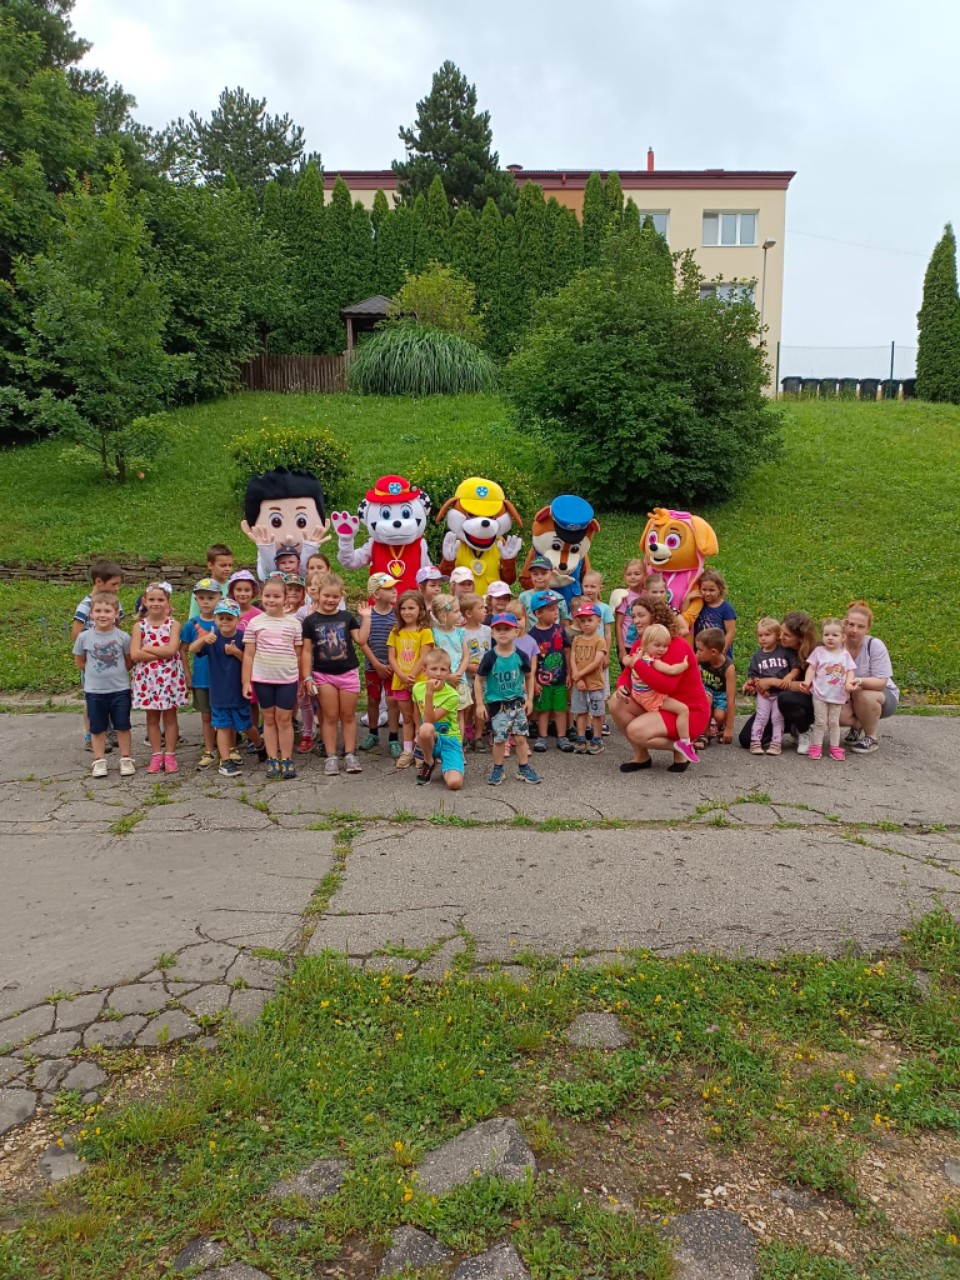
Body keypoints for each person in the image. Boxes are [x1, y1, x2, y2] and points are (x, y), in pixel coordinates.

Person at [609, 597, 710, 773]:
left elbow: (666, 686)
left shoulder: (677, 644)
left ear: (656, 616)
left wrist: (637, 663)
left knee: (635, 731)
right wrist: (622, 687)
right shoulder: (642, 643)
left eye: (641, 615)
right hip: (658, 702)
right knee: (615, 702)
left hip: (686, 711)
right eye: (633, 616)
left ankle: (684, 747)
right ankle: (642, 756)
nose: (636, 621)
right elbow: (626, 674)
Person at [301, 572, 371, 777]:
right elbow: (306, 651)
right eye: (327, 596)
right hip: (323, 675)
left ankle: (350, 754)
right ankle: (331, 756)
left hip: (348, 673)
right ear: (318, 595)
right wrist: (307, 677)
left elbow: (361, 640)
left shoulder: (346, 617)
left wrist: (366, 619)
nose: (331, 600)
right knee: (330, 716)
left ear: (341, 596)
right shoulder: (310, 621)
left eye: (335, 596)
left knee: (348, 715)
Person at [241, 575, 303, 781]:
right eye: (267, 595)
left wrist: (301, 680)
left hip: (287, 679)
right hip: (262, 678)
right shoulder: (255, 623)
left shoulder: (294, 623)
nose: (271, 600)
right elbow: (248, 655)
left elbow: (298, 654)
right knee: (268, 719)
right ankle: (272, 758)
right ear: (261, 596)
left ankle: (286, 758)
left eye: (276, 596)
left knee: (284, 719)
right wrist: (246, 682)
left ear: (285, 598)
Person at [193, 599, 264, 777]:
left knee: (247, 726)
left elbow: (251, 660)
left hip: (238, 691)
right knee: (222, 727)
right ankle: (225, 762)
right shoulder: (212, 638)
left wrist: (235, 652)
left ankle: (259, 744)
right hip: (218, 693)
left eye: (229, 618)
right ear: (215, 619)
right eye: (221, 618)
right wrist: (203, 640)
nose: (225, 621)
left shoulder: (243, 637)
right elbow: (193, 649)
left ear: (238, 620)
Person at [474, 611, 540, 786]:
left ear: (516, 632)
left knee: (520, 738)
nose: (502, 632)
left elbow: (529, 676)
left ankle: (523, 768)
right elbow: (478, 680)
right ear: (492, 633)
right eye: (498, 629)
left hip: (518, 702)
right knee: (500, 739)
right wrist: (480, 704)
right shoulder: (490, 657)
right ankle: (498, 768)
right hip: (498, 705)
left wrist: (529, 699)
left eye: (507, 629)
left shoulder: (521, 655)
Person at [72, 591, 134, 777]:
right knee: (97, 728)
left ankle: (125, 759)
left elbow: (129, 661)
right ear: (91, 614)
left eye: (107, 611)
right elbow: (80, 662)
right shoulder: (84, 638)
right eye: (98, 611)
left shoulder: (123, 637)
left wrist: (117, 674)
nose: (102, 615)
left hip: (120, 690)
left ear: (116, 613)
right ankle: (99, 761)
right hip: (94, 691)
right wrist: (96, 675)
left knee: (123, 726)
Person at [737, 611, 817, 752]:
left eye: (787, 635)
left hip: (807, 703)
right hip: (774, 701)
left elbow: (811, 687)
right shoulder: (778, 649)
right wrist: (756, 685)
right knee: (746, 739)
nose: (780, 637)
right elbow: (760, 673)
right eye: (781, 632)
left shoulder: (816, 653)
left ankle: (804, 728)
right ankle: (787, 726)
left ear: (800, 638)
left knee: (785, 698)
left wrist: (773, 682)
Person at [131, 582, 188, 773]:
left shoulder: (173, 624)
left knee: (170, 717)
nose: (156, 603)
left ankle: (170, 754)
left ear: (167, 602)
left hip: (169, 678)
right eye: (152, 599)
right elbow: (135, 654)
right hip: (148, 680)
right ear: (145, 601)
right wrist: (160, 652)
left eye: (160, 599)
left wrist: (147, 648)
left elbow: (171, 650)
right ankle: (156, 755)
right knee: (152, 718)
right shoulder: (139, 627)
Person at [624, 623, 699, 762]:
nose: (662, 649)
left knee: (680, 708)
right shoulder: (651, 660)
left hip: (638, 694)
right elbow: (670, 670)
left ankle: (683, 743)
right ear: (646, 643)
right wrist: (684, 665)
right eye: (657, 645)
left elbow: (625, 660)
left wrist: (631, 659)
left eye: (665, 646)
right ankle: (685, 743)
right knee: (682, 709)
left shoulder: (639, 653)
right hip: (651, 697)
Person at [72, 559, 124, 752]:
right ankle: (90, 735)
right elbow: (76, 634)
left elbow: (118, 628)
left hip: (111, 660)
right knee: (92, 699)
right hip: (91, 662)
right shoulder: (85, 605)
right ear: (99, 582)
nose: (117, 588)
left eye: (118, 584)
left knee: (111, 696)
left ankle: (110, 731)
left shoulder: (116, 604)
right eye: (114, 584)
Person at [840, 601, 899, 754]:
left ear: (868, 628)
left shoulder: (875, 645)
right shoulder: (836, 645)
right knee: (837, 713)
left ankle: (871, 737)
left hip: (881, 694)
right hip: (847, 693)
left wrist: (859, 681)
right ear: (844, 624)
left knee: (863, 694)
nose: (854, 630)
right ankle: (857, 725)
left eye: (860, 627)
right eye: (851, 624)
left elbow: (881, 683)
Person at [387, 590, 434, 768]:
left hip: (419, 681)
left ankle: (421, 749)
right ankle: (407, 751)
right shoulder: (396, 632)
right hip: (400, 681)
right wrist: (401, 675)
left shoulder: (425, 632)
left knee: (420, 717)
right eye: (403, 608)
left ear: (420, 610)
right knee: (407, 717)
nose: (406, 612)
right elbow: (392, 656)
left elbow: (424, 656)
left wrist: (412, 676)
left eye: (411, 608)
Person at [180, 579, 222, 768]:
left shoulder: (224, 621)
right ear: (196, 600)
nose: (206, 602)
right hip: (201, 678)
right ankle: (209, 750)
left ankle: (229, 748)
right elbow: (183, 650)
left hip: (222, 678)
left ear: (219, 598)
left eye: (211, 598)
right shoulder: (191, 624)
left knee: (224, 714)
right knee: (206, 716)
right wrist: (187, 675)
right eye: (202, 598)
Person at [802, 617, 858, 761]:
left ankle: (834, 747)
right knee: (820, 722)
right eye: (826, 634)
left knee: (834, 723)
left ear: (843, 637)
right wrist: (807, 682)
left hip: (837, 695)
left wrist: (849, 682)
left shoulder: (845, 655)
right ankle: (816, 746)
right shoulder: (819, 651)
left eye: (835, 635)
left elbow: (850, 670)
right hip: (820, 694)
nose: (830, 638)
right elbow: (811, 668)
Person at [359, 572, 401, 756]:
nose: (394, 591)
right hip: (373, 667)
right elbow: (363, 642)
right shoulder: (367, 615)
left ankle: (393, 737)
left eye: (394, 587)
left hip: (393, 667)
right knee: (373, 699)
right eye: (389, 588)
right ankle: (373, 733)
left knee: (392, 700)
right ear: (376, 593)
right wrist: (376, 664)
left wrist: (394, 664)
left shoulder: (397, 615)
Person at [529, 590, 574, 754]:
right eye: (552, 610)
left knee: (560, 709)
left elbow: (567, 651)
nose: (556, 613)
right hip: (541, 681)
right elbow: (531, 660)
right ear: (538, 613)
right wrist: (533, 681)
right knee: (543, 709)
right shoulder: (532, 635)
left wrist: (569, 672)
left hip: (560, 679)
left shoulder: (560, 630)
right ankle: (542, 737)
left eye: (557, 609)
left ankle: (562, 736)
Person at [413, 649, 465, 790]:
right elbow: (416, 712)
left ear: (449, 672)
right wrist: (418, 732)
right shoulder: (417, 688)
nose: (438, 673)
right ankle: (429, 762)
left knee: (454, 783)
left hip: (450, 740)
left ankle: (448, 763)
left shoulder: (452, 695)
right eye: (434, 669)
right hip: (430, 737)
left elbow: (430, 719)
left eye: (443, 669)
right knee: (425, 729)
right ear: (424, 671)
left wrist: (429, 693)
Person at [744, 617, 793, 756]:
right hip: (764, 694)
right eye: (760, 635)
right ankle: (755, 742)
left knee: (777, 718)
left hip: (780, 693)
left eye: (767, 634)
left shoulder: (785, 652)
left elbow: (795, 667)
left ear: (777, 635)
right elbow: (753, 675)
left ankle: (776, 743)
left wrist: (789, 677)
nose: (763, 638)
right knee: (761, 716)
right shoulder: (757, 656)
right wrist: (755, 685)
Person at [569, 603, 608, 754]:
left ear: (598, 621)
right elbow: (573, 659)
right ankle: (581, 737)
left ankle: (597, 738)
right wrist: (577, 678)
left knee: (597, 713)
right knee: (581, 711)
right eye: (582, 621)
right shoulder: (577, 639)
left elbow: (597, 662)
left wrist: (579, 675)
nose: (586, 624)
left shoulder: (600, 641)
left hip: (595, 683)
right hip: (579, 684)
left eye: (590, 620)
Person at [430, 594, 470, 734]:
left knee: (459, 715)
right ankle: (441, 743)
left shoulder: (460, 633)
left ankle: (458, 744)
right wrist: (447, 676)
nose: (460, 614)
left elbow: (466, 656)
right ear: (443, 615)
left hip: (459, 680)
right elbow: (435, 658)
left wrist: (458, 674)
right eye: (456, 611)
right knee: (441, 715)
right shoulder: (433, 634)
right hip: (441, 681)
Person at [460, 593, 492, 752]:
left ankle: (478, 736)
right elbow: (458, 655)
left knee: (482, 705)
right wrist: (467, 667)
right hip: (467, 676)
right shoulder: (460, 632)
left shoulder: (488, 630)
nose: (485, 610)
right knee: (467, 705)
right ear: (468, 613)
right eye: (480, 608)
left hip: (484, 676)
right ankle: (466, 732)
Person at [692, 569, 737, 658]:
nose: (707, 593)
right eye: (704, 589)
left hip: (719, 654)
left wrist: (722, 651)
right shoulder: (699, 605)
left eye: (712, 590)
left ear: (720, 589)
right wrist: (687, 599)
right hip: (701, 652)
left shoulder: (726, 608)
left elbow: (730, 632)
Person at [610, 558, 647, 665]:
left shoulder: (646, 595)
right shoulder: (624, 596)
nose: (632, 577)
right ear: (624, 577)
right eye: (629, 574)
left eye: (637, 574)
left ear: (645, 575)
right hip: (626, 645)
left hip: (643, 644)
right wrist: (621, 650)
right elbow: (618, 625)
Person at [519, 555, 570, 628]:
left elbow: (564, 623)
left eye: (544, 573)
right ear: (531, 575)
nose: (539, 577)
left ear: (551, 574)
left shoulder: (559, 597)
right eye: (535, 574)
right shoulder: (523, 597)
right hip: (531, 634)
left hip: (554, 634)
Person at [188, 544, 233, 620]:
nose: (227, 569)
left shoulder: (234, 586)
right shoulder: (201, 588)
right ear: (210, 565)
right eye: (223, 565)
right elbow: (193, 617)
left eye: (230, 565)